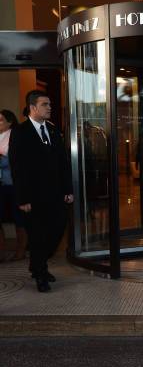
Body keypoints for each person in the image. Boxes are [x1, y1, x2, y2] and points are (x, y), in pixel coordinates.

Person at [9, 90, 74, 292]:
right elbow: (16, 167)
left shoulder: (53, 130)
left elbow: (63, 163)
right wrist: (22, 199)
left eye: (49, 104)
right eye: (45, 104)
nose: (49, 107)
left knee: (55, 233)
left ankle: (37, 264)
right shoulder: (20, 132)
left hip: (56, 195)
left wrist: (67, 189)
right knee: (38, 236)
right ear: (33, 108)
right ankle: (40, 273)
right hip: (33, 197)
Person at [0, 109, 27, 261]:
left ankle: (21, 251)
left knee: (19, 219)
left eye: (1, 120)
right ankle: (1, 251)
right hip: (1, 184)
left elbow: (11, 161)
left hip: (13, 184)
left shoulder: (14, 136)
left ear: (10, 122)